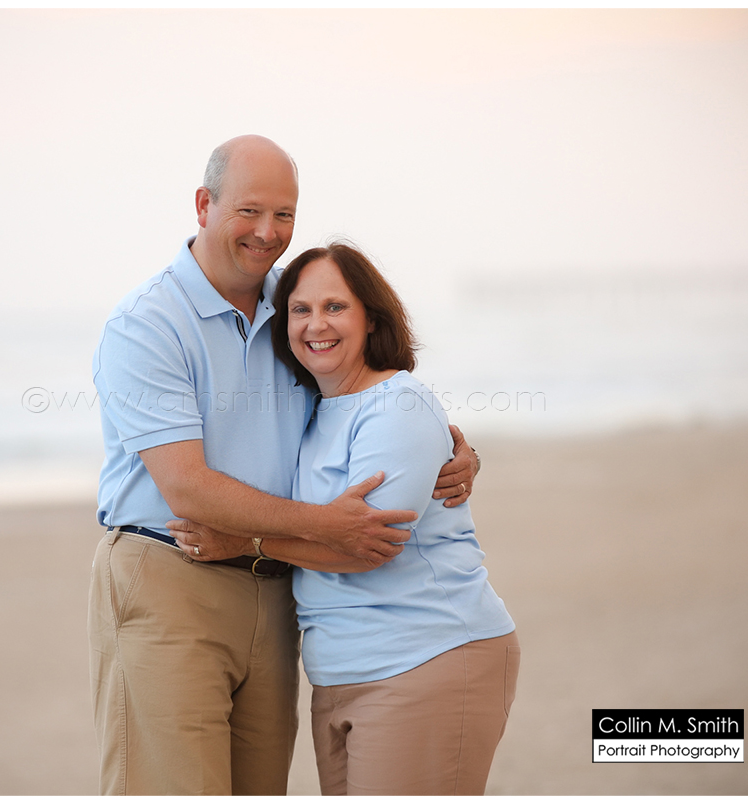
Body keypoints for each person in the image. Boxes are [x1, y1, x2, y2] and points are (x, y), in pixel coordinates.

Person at [89, 135, 480, 795]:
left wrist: (451, 445)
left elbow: (365, 401)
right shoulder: (147, 324)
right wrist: (327, 524)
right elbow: (185, 485)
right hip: (170, 577)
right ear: (203, 205)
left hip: (280, 591)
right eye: (249, 211)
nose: (269, 232)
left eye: (284, 215)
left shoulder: (294, 309)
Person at [173, 242, 518, 795]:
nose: (316, 324)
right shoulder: (312, 410)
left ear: (371, 318)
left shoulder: (397, 403)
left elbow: (367, 545)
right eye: (300, 310)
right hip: (341, 674)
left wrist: (245, 542)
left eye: (335, 307)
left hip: (425, 655)